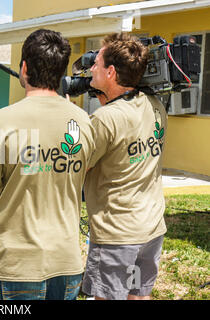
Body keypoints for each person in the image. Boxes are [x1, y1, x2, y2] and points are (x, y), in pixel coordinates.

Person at [0, 29, 95, 300]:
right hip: (67, 263)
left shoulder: (3, 121)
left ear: (24, 68)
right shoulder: (83, 121)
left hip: (17, 266)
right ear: (61, 72)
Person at [82, 32, 168, 300]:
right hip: (151, 228)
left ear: (110, 72)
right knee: (137, 295)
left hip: (116, 236)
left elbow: (78, 166)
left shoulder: (105, 118)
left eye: (96, 63)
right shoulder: (155, 105)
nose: (91, 68)